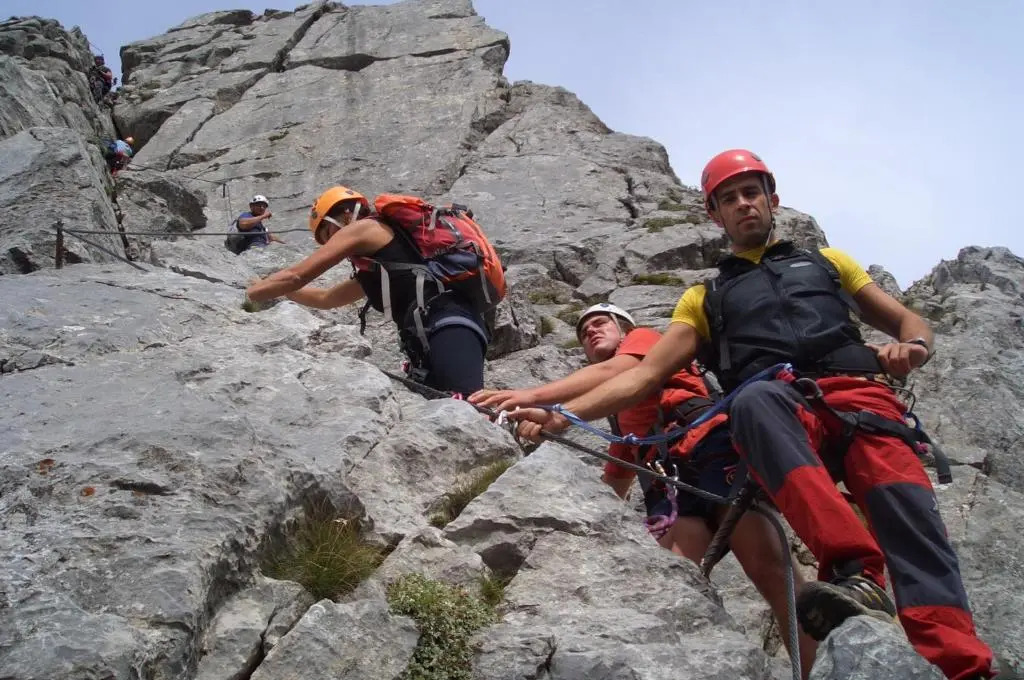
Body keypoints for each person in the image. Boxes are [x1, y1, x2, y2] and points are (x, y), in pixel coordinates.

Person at [510, 150, 1007, 680]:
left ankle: (963, 666)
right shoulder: (703, 297)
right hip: (780, 407)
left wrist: (914, 346)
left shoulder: (828, 263)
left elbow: (909, 321)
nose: (743, 204)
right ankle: (854, 571)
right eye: (729, 198)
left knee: (913, 528)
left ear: (773, 200)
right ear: (714, 215)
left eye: (751, 193)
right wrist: (561, 415)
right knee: (754, 400)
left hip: (864, 400)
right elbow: (644, 376)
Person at [471, 302, 817, 675]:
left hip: (711, 451)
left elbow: (617, 370)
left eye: (599, 323)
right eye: (583, 332)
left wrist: (531, 399)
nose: (590, 332)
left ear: (624, 328)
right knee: (670, 584)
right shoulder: (621, 417)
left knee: (770, 569)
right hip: (670, 485)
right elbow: (615, 483)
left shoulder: (645, 340)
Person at [245, 185, 488, 394]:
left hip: (449, 326)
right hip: (438, 333)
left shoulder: (366, 228)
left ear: (346, 215)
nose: (331, 243)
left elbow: (296, 276)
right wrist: (278, 290)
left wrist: (248, 295)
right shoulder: (382, 263)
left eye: (328, 234)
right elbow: (327, 298)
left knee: (469, 408)